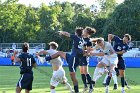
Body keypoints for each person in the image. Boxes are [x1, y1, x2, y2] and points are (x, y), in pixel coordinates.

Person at [45, 27, 84, 93]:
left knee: (72, 76)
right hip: (72, 57)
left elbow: (67, 34)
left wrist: (61, 32)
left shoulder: (76, 37)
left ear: (76, 33)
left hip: (74, 58)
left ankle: (76, 91)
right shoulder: (82, 40)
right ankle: (44, 59)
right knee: (60, 53)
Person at [80, 27, 96, 93]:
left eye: (85, 30)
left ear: (87, 33)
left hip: (84, 57)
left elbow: (89, 51)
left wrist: (84, 51)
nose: (83, 31)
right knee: (81, 72)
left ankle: (91, 87)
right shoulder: (80, 38)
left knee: (85, 72)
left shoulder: (88, 41)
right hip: (79, 57)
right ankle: (85, 87)